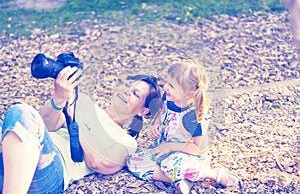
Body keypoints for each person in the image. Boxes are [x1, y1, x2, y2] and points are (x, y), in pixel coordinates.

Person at [0, 66, 161, 193]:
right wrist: (59, 98)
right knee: (15, 118)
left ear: (143, 110)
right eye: (127, 85)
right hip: (17, 160)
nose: (126, 91)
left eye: (135, 93)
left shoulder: (127, 141)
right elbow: (44, 126)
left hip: (51, 169)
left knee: (21, 111)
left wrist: (74, 119)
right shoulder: (84, 104)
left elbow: (99, 163)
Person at [127, 60, 243, 194]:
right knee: (134, 161)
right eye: (167, 82)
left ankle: (213, 174)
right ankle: (181, 180)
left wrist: (172, 147)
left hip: (187, 155)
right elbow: (161, 111)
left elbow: (200, 149)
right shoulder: (167, 97)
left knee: (171, 164)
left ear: (188, 94)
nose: (166, 87)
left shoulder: (190, 117)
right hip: (165, 149)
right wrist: (156, 123)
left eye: (172, 86)